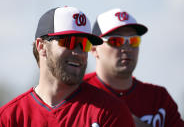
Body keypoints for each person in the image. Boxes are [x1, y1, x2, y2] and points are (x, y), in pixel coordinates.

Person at [0, 7, 135, 127]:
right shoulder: (9, 117)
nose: (78, 52)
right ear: (41, 47)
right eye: (69, 42)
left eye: (84, 44)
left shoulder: (110, 111)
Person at [84, 8, 184, 127]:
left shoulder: (159, 98)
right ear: (94, 49)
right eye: (116, 41)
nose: (127, 48)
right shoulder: (77, 93)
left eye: (133, 41)